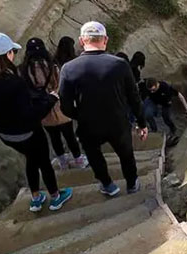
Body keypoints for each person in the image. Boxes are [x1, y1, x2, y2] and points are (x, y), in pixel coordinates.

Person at [0, 32, 73, 212]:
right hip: (29, 132)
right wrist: (50, 99)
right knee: (43, 162)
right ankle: (56, 196)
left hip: (6, 135)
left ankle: (35, 198)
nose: (14, 55)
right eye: (12, 51)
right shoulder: (14, 83)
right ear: (6, 55)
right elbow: (31, 115)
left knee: (31, 160)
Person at [58, 22, 148, 197]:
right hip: (118, 122)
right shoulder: (120, 65)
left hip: (89, 125)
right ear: (105, 40)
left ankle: (108, 185)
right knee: (126, 154)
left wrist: (81, 116)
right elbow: (134, 98)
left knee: (94, 155)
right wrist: (141, 123)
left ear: (81, 41)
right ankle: (132, 184)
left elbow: (65, 106)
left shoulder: (68, 69)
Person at [20, 37, 87, 171]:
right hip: (60, 107)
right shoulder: (52, 65)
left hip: (43, 110)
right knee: (69, 136)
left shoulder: (24, 71)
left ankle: (62, 163)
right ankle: (79, 159)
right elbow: (61, 85)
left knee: (54, 138)